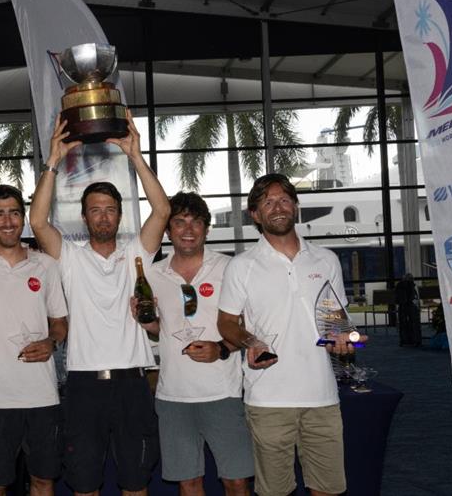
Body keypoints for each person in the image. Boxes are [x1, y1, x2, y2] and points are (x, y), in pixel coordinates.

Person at [29, 111, 170, 496]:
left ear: (120, 215)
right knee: (84, 485)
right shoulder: (71, 258)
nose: (103, 216)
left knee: (135, 484)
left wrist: (135, 157)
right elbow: (38, 222)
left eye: (110, 209)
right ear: (85, 216)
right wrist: (54, 161)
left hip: (132, 385)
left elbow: (162, 211)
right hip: (83, 387)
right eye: (95, 209)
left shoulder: (136, 252)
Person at [217, 173, 367, 496]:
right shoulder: (241, 266)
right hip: (268, 400)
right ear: (255, 215)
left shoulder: (327, 260)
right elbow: (226, 323)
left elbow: (334, 323)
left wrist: (343, 341)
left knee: (328, 489)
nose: (278, 207)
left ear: (296, 207)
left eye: (284, 199)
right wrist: (251, 341)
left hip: (322, 398)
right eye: (267, 202)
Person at [137, 192, 252, 496]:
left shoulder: (231, 269)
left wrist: (222, 348)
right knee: (188, 482)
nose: (188, 229)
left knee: (236, 480)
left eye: (195, 222)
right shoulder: (153, 274)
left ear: (206, 228)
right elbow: (161, 328)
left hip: (223, 393)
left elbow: (249, 328)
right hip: (173, 396)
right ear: (167, 230)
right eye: (179, 222)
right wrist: (149, 324)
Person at [0, 184, 68, 496]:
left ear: (23, 218)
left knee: (43, 480)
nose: (8, 221)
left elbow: (60, 323)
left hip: (42, 395)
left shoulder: (46, 265)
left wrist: (51, 343)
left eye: (14, 213)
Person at [395, 272, 421, 347]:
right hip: (410, 306)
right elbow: (414, 297)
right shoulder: (412, 286)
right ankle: (415, 339)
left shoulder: (399, 285)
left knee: (403, 322)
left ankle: (404, 339)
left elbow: (398, 298)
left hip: (402, 306)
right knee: (414, 321)